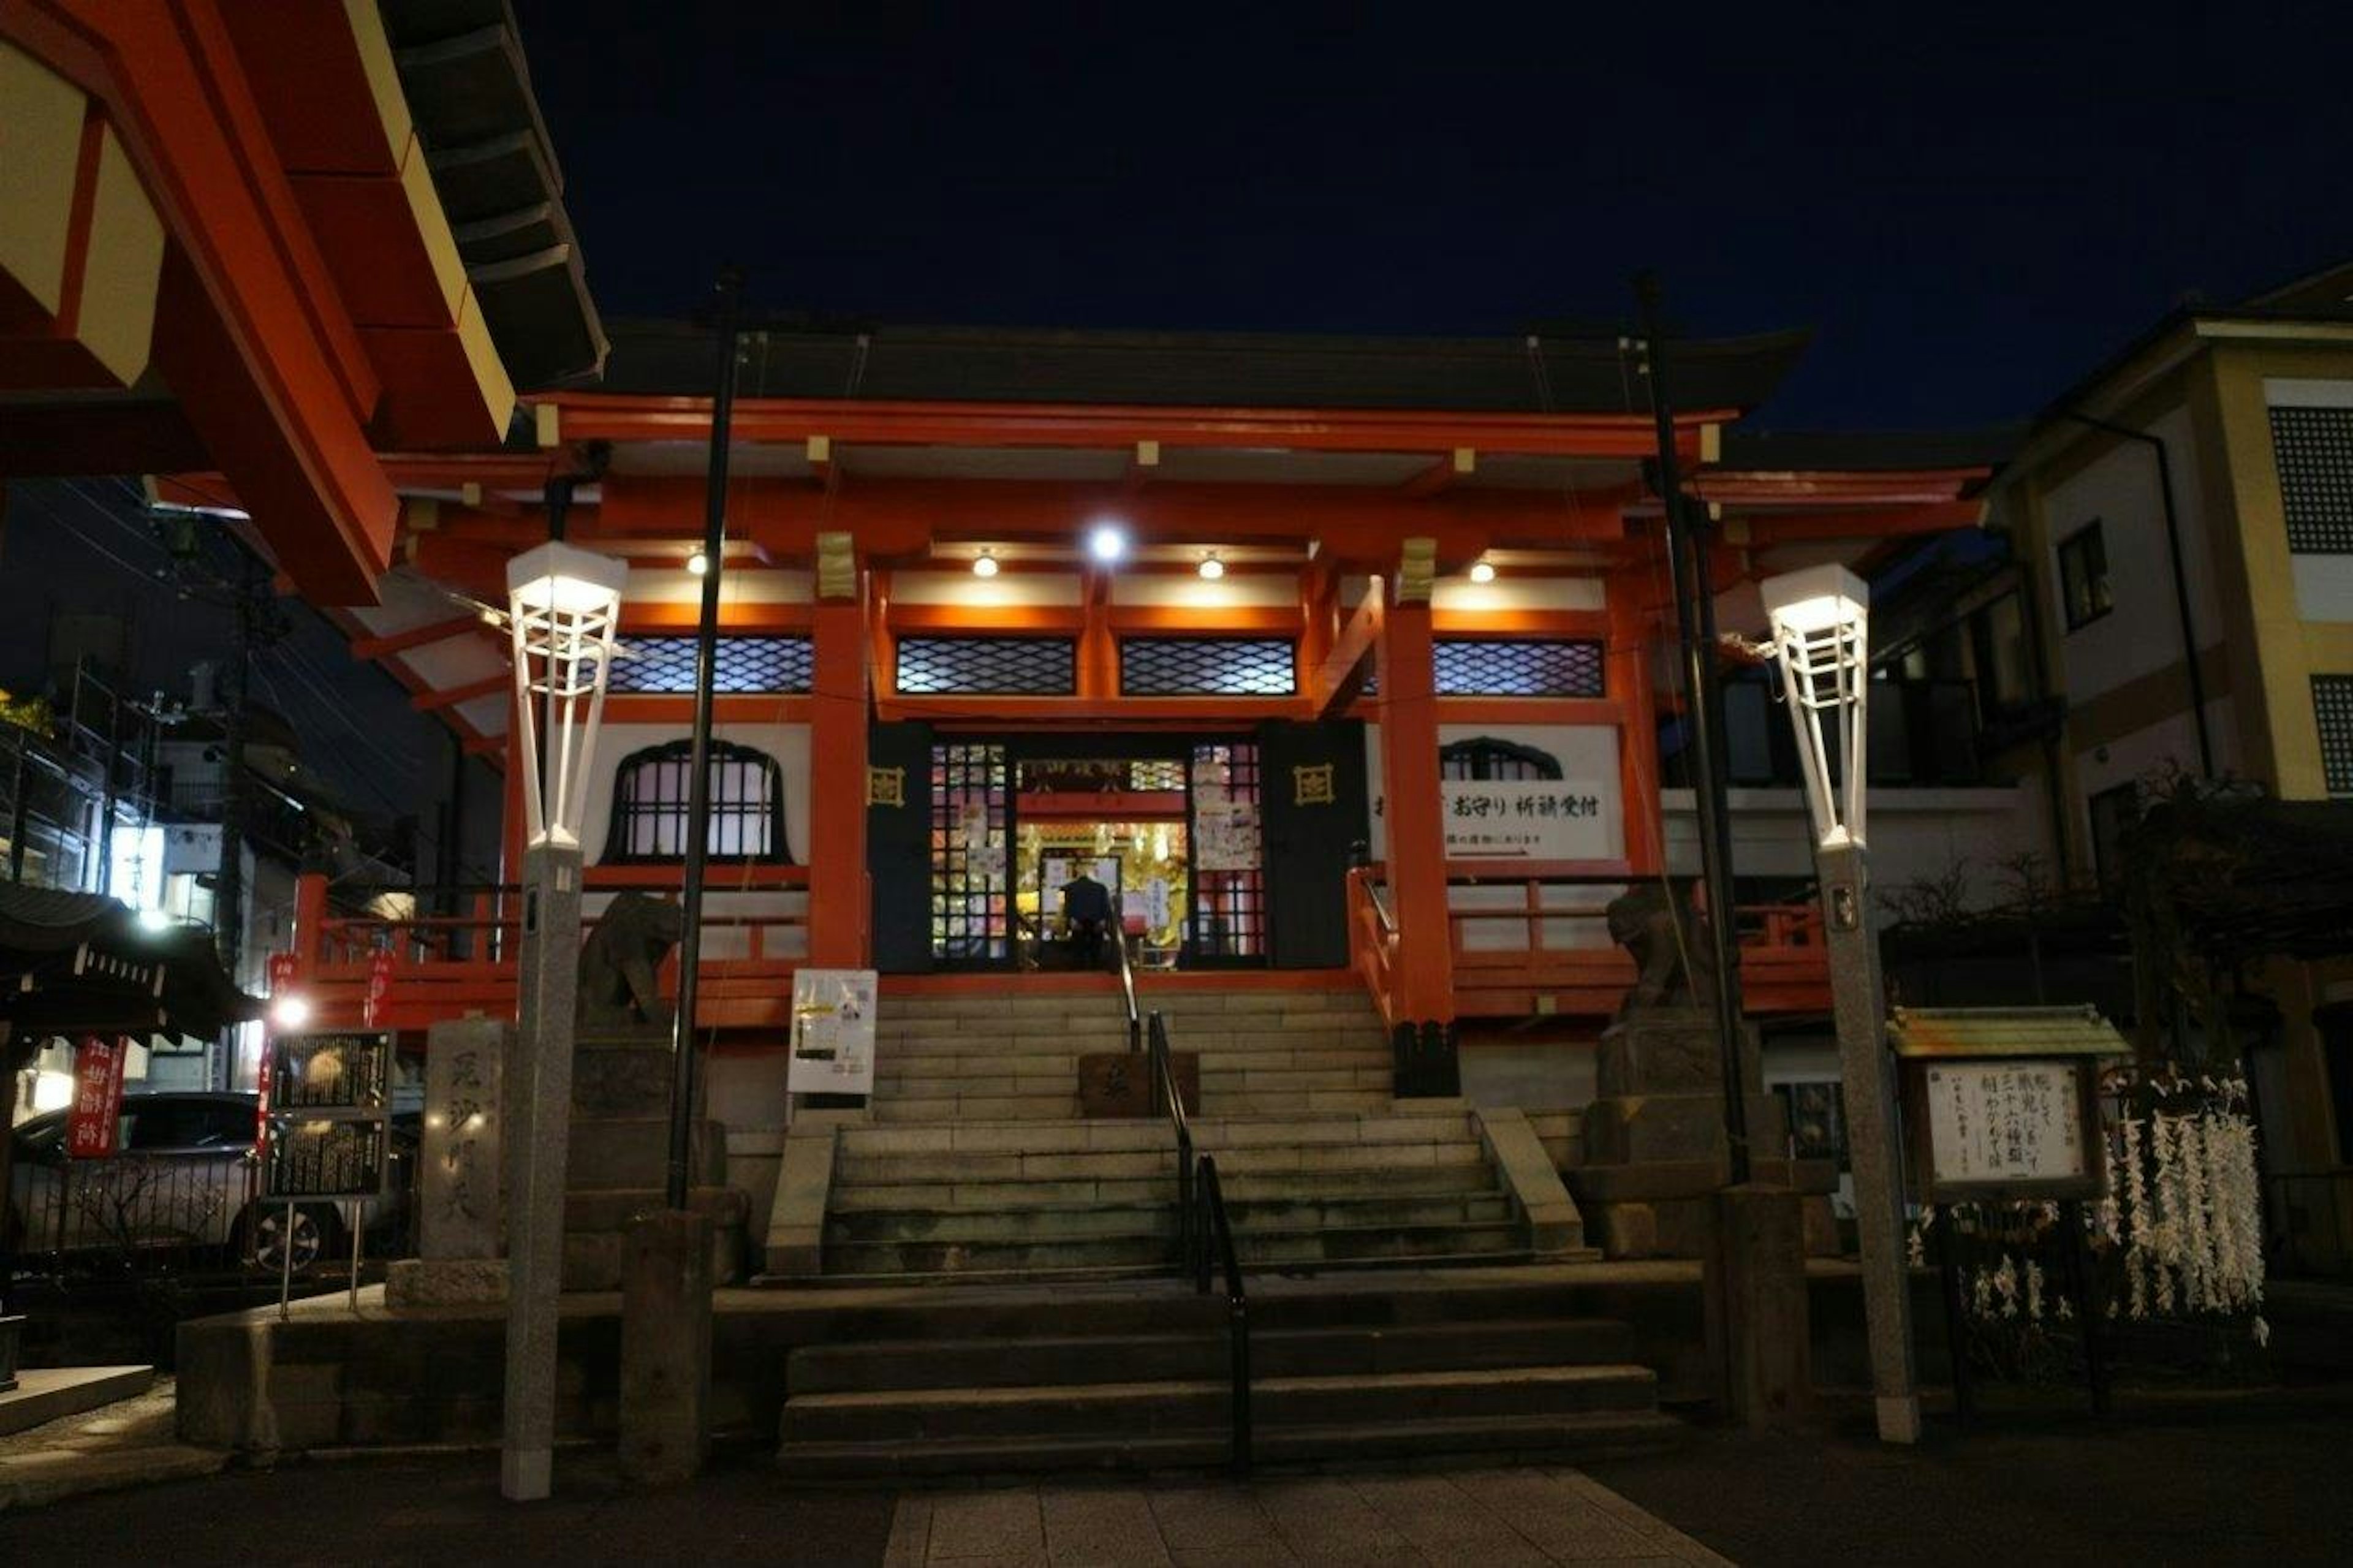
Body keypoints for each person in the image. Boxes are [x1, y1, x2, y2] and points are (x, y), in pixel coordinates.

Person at [1058, 867, 1114, 968]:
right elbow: (1105, 905)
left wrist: (1071, 919)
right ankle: (1095, 966)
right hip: (1096, 920)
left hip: (1078, 920)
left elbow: (1068, 906)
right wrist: (1103, 920)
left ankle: (1080, 968)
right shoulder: (1100, 887)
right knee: (1096, 947)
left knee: (1079, 948)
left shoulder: (1070, 888)